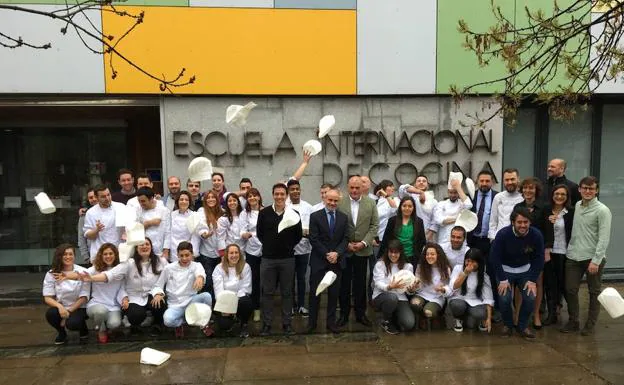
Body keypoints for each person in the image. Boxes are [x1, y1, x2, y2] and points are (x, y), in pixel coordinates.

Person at [62, 238, 168, 336]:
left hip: (152, 294)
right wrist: (67, 275)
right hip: (134, 297)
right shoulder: (129, 263)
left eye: (147, 244)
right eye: (141, 245)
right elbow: (109, 275)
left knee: (160, 302)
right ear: (136, 248)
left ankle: (157, 324)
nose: (144, 246)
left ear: (151, 246)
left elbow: (170, 272)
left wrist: (159, 293)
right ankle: (131, 326)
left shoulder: (160, 261)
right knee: (135, 315)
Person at [562, 176, 612, 336]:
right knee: (570, 289)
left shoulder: (602, 210)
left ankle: (590, 325)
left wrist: (596, 261)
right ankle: (574, 321)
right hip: (573, 255)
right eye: (585, 188)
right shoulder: (577, 205)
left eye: (591, 188)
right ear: (579, 189)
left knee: (594, 292)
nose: (587, 191)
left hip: (592, 258)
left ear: (596, 190)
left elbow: (604, 238)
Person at [490, 207, 544, 340]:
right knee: (504, 298)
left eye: (526, 222)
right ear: (513, 222)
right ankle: (508, 325)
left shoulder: (536, 235)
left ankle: (522, 326)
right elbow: (494, 257)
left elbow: (539, 258)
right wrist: (502, 279)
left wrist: (532, 280)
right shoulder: (503, 234)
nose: (523, 225)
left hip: (525, 271)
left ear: (530, 223)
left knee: (531, 297)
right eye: (519, 222)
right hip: (505, 271)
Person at [257, 183, 303, 336]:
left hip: (287, 259)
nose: (279, 197)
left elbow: (298, 235)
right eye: (276, 194)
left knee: (287, 293)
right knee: (267, 293)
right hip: (268, 259)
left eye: (282, 194)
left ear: (287, 195)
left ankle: (287, 324)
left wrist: (287, 246)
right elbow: (260, 234)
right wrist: (271, 245)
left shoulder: (294, 213)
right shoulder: (264, 213)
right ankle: (267, 324)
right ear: (273, 195)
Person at [337, 175, 379, 327]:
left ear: (362, 188)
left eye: (357, 187)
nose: (354, 190)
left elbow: (374, 226)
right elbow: (336, 226)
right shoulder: (340, 203)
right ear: (348, 187)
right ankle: (343, 315)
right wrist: (346, 244)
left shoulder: (371, 203)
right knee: (344, 284)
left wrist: (363, 243)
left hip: (363, 251)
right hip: (345, 251)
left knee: (361, 284)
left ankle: (361, 315)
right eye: (352, 187)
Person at [307, 188, 350, 334]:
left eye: (335, 200)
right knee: (315, 293)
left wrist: (337, 253)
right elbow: (313, 238)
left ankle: (331, 323)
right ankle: (311, 323)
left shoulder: (344, 218)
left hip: (336, 262)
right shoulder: (315, 216)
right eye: (330, 200)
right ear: (325, 199)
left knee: (333, 294)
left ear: (339, 201)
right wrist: (327, 254)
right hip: (319, 261)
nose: (332, 203)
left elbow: (345, 239)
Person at [151, 241, 213, 338]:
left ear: (192, 254)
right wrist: (158, 294)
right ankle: (182, 323)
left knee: (207, 296)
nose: (184, 258)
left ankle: (204, 323)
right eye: (181, 255)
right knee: (168, 320)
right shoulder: (169, 268)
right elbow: (158, 285)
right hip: (175, 305)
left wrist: (200, 277)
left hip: (191, 301)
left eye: (187, 255)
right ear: (177, 255)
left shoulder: (197, 265)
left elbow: (200, 274)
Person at [514, 177, 546, 329]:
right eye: (525, 188)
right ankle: (517, 314)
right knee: (519, 283)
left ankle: (536, 315)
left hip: (537, 250)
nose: (528, 191)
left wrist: (547, 249)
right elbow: (513, 227)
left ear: (536, 191)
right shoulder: (517, 207)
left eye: (531, 188)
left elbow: (548, 230)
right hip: (520, 250)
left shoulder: (544, 208)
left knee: (537, 282)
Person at [43, 244, 89, 344]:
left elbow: (84, 297)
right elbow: (47, 297)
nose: (68, 257)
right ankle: (61, 332)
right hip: (62, 306)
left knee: (73, 324)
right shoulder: (52, 273)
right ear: (59, 256)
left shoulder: (83, 271)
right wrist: (59, 307)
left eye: (70, 254)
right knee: (51, 314)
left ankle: (83, 328)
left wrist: (67, 312)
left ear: (74, 256)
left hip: (80, 306)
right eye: (65, 254)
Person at [542, 184, 574, 326]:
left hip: (566, 253)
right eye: (557, 194)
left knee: (565, 285)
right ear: (552, 195)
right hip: (550, 252)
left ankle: (573, 316)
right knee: (550, 284)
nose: (559, 197)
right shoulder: (546, 210)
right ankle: (552, 314)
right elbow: (541, 229)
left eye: (563, 194)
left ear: (567, 197)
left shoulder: (571, 212)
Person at [372, 240, 416, 334]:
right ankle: (386, 321)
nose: (393, 255)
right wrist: (389, 287)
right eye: (391, 252)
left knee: (409, 324)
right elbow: (378, 283)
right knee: (392, 298)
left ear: (401, 253)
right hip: (382, 296)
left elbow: (408, 289)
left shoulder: (408, 266)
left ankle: (395, 316)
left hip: (400, 298)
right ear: (387, 252)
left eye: (396, 252)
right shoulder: (380, 264)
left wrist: (411, 290)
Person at [212, 244, 253, 338]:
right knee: (224, 326)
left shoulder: (245, 267)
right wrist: (227, 306)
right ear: (226, 255)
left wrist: (234, 303)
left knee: (246, 302)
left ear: (240, 254)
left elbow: (246, 289)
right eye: (231, 253)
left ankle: (244, 323)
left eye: (236, 252)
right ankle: (232, 319)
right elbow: (218, 291)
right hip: (224, 303)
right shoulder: (218, 269)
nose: (234, 255)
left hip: (239, 300)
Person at [449, 248, 494, 333]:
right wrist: (465, 273)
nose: (469, 264)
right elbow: (454, 286)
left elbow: (488, 297)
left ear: (479, 263)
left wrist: (488, 318)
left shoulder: (483, 275)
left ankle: (472, 317)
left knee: (480, 314)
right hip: (459, 298)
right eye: (468, 261)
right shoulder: (458, 268)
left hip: (474, 301)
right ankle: (459, 319)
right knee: (457, 306)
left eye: (473, 262)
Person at [85, 243, 123, 343]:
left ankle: (107, 326)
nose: (108, 256)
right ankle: (101, 329)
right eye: (105, 254)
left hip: (113, 306)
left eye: (111, 253)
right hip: (97, 304)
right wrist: (67, 276)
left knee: (114, 324)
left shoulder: (120, 269)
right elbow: (81, 274)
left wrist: (125, 298)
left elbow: (123, 288)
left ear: (115, 255)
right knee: (100, 312)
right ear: (101, 256)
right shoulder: (95, 269)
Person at [286, 179, 313, 316]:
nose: (295, 191)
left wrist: (305, 231)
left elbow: (312, 228)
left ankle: (302, 305)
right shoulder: (284, 206)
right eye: (292, 189)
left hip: (304, 249)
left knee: (301, 278)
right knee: (289, 279)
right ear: (288, 192)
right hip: (288, 249)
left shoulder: (308, 207)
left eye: (297, 189)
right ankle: (291, 306)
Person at [411, 243, 452, 325]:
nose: (429, 256)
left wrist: (443, 289)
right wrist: (416, 286)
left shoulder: (446, 269)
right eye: (427, 254)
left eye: (432, 254)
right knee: (414, 304)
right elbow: (418, 287)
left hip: (437, 297)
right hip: (422, 294)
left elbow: (450, 288)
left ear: (438, 255)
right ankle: (421, 319)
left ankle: (435, 318)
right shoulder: (420, 267)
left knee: (428, 312)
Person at [378, 196, 426, 263]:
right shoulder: (392, 221)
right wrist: (381, 257)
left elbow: (422, 241)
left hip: (412, 258)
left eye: (410, 206)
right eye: (404, 206)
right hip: (394, 257)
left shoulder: (419, 222)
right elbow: (386, 240)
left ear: (414, 208)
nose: (407, 208)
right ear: (400, 207)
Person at [83, 185, 124, 262]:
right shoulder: (91, 212)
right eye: (103, 196)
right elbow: (88, 235)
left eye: (108, 195)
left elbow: (130, 226)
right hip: (99, 254)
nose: (107, 198)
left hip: (119, 253)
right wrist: (97, 230)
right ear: (96, 197)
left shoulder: (121, 207)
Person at [240, 188, 263, 322]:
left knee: (267, 281)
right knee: (254, 280)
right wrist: (244, 234)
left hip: (266, 250)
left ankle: (266, 308)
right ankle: (256, 309)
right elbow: (242, 230)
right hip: (252, 250)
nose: (252, 198)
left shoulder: (266, 211)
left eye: (255, 195)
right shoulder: (245, 213)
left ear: (259, 197)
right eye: (249, 196)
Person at [196, 190, 224, 297]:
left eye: (213, 197)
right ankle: (207, 307)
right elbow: (200, 227)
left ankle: (218, 307)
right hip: (206, 253)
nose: (211, 199)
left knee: (219, 282)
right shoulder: (201, 211)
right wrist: (205, 234)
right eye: (208, 197)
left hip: (220, 254)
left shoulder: (222, 211)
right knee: (208, 281)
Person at [433, 178, 473, 247]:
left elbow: (469, 205)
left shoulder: (462, 203)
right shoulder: (441, 204)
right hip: (444, 240)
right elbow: (439, 220)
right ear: (448, 192)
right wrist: (459, 217)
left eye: (455, 192)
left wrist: (458, 187)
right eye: (451, 192)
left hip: (460, 241)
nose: (453, 195)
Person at [398, 174, 438, 241]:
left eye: (424, 181)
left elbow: (435, 221)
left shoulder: (434, 201)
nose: (421, 182)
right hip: (408, 230)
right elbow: (402, 189)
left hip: (426, 233)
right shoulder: (410, 197)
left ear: (427, 185)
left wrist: (428, 236)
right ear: (415, 184)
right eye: (419, 181)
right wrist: (420, 192)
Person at [467, 170, 498, 256]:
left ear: (492, 182)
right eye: (482, 181)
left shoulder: (498, 197)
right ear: (477, 182)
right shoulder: (470, 196)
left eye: (487, 181)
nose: (484, 183)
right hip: (472, 240)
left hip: (490, 240)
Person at [488, 168, 524, 240]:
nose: (509, 182)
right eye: (507, 180)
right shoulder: (498, 197)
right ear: (503, 181)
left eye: (512, 179)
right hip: (500, 238)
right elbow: (493, 221)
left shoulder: (523, 197)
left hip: (519, 238)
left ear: (518, 179)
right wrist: (493, 239)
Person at [136, 187, 171, 259]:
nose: (141, 204)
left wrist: (166, 251)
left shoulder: (164, 211)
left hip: (160, 250)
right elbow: (135, 232)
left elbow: (168, 232)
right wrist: (148, 223)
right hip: (145, 250)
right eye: (139, 201)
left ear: (151, 199)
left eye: (143, 201)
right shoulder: (138, 211)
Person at [169, 191, 200, 263]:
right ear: (177, 201)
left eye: (186, 200)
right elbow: (169, 234)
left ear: (189, 202)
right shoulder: (171, 215)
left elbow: (195, 237)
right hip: (174, 252)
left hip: (188, 253)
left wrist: (193, 254)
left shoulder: (194, 215)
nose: (184, 202)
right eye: (181, 199)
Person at [374, 180, 400, 246]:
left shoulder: (395, 200)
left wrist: (386, 196)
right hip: (378, 238)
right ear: (383, 188)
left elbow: (395, 209)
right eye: (390, 186)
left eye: (393, 186)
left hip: (392, 238)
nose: (393, 188)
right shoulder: (376, 202)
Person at [77, 187, 98, 262]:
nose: (94, 199)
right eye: (91, 197)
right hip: (92, 255)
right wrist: (86, 256)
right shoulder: (84, 215)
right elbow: (81, 237)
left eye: (95, 196)